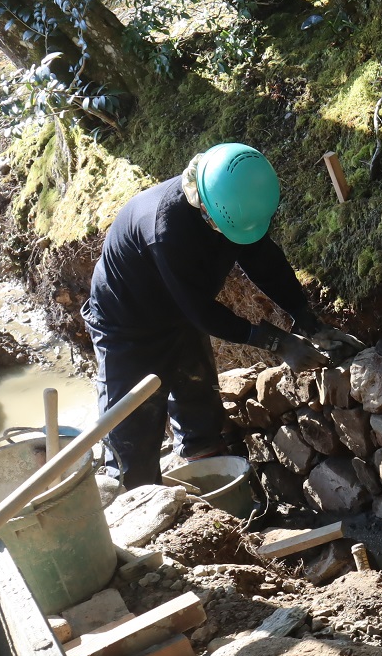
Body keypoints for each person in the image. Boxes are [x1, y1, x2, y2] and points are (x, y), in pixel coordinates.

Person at [82, 143, 355, 488]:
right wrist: (278, 342)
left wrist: (304, 316)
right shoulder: (165, 231)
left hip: (179, 314)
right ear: (207, 212)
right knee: (131, 431)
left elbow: (264, 260)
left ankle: (209, 478)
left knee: (199, 405)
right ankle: (136, 504)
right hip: (126, 326)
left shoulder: (235, 204)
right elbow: (201, 311)